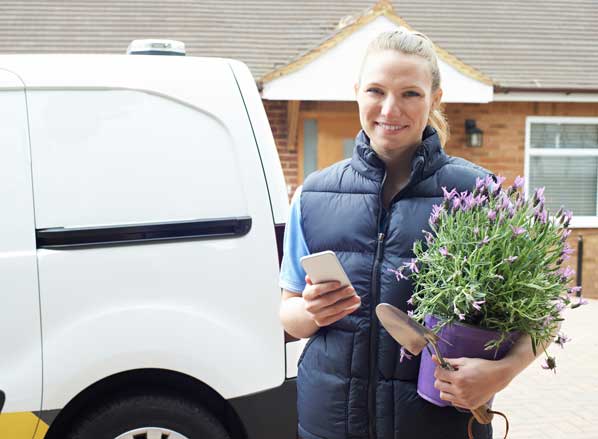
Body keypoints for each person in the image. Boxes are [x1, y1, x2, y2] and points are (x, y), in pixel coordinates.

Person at [279, 29, 542, 439]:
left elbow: (540, 320)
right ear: (357, 93)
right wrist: (311, 311)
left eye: (410, 94)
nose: (390, 108)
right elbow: (289, 313)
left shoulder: (478, 195)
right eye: (376, 90)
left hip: (439, 425)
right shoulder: (313, 195)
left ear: (435, 98)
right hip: (328, 423)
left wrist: (501, 374)